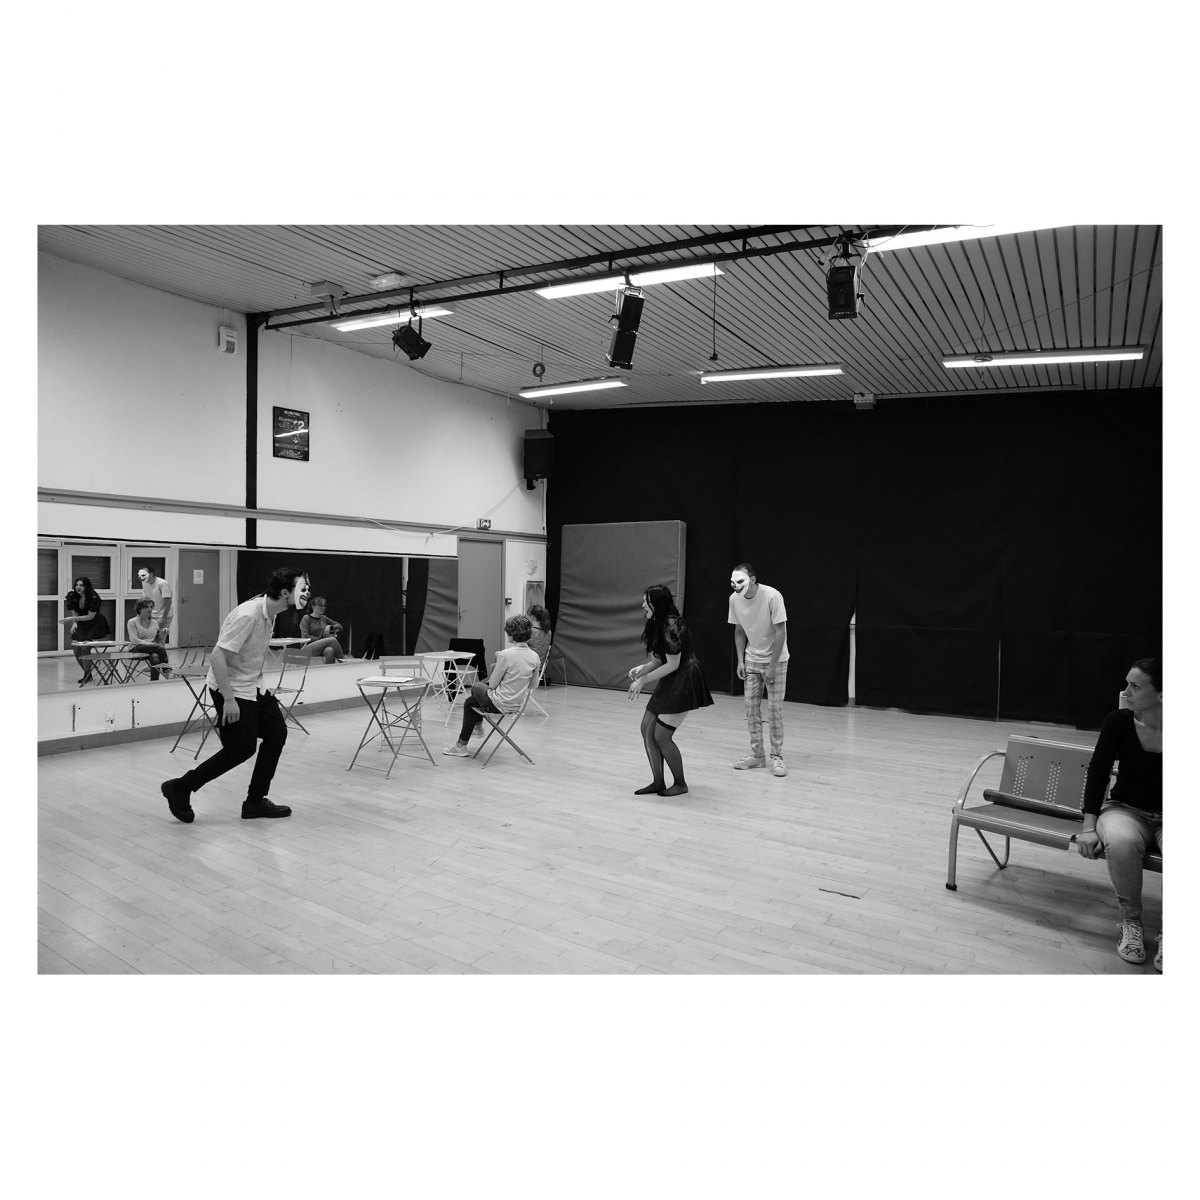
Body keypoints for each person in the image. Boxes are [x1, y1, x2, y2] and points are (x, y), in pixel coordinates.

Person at [159, 566, 311, 823]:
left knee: (276, 734)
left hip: (253, 686)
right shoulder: (248, 615)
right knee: (240, 749)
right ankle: (181, 787)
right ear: (286, 592)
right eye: (302, 588)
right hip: (230, 688)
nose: (307, 594)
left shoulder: (271, 613)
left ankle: (255, 801)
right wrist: (229, 700)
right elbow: (217, 656)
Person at [1076, 658, 1163, 971]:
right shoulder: (1119, 721)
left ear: (1162, 694)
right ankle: (1132, 923)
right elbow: (1098, 772)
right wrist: (1089, 827)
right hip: (1126, 809)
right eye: (1127, 683)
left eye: (1135, 686)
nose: (1126, 692)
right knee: (1121, 841)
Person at [627, 584, 713, 797]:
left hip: (684, 679)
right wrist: (642, 669)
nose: (642, 605)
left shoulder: (672, 625)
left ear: (657, 604)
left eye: (646, 601)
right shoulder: (655, 622)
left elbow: (673, 665)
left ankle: (680, 783)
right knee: (646, 728)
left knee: (661, 735)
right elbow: (659, 660)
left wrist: (644, 680)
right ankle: (658, 781)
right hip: (672, 677)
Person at [443, 614, 540, 757]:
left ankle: (475, 730)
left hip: (499, 703)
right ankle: (463, 743)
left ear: (511, 635)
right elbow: (533, 685)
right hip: (516, 705)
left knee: (476, 686)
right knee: (470, 702)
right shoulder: (534, 656)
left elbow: (492, 685)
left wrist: (495, 666)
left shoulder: (505, 655)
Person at [727, 562, 790, 777]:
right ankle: (757, 755)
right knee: (751, 709)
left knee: (774, 709)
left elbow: (781, 632)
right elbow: (738, 630)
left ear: (753, 579)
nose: (736, 586)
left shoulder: (772, 596)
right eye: (733, 582)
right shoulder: (734, 599)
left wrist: (772, 665)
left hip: (776, 659)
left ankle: (776, 756)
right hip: (752, 658)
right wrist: (740, 660)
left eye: (740, 581)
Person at [59, 576, 111, 685]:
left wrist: (71, 619)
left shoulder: (93, 597)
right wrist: (75, 623)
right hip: (81, 621)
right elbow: (75, 612)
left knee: (84, 648)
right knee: (75, 647)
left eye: (81, 585)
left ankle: (87, 675)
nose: (78, 587)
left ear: (86, 586)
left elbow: (90, 616)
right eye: (77, 585)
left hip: (94, 623)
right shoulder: (73, 596)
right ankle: (88, 674)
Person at [125, 597, 170, 680]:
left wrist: (164, 633)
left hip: (152, 648)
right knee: (160, 648)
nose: (150, 609)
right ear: (139, 609)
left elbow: (158, 639)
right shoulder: (132, 622)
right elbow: (134, 639)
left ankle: (154, 681)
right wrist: (149, 643)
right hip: (136, 648)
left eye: (151, 607)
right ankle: (166, 670)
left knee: (155, 658)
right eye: (146, 607)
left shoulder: (155, 622)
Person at [299, 595, 345, 662]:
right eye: (320, 606)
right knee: (332, 640)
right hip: (307, 647)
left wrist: (331, 627)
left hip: (322, 646)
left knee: (330, 650)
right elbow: (305, 636)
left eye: (324, 606)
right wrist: (321, 640)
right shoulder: (306, 618)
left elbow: (340, 626)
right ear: (313, 606)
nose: (323, 608)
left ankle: (330, 669)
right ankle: (344, 662)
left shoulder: (323, 618)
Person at [138, 566, 173, 638]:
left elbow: (168, 602)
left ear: (151, 574)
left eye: (143, 575)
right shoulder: (145, 583)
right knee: (150, 636)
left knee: (160, 637)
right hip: (153, 613)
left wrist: (164, 618)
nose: (141, 577)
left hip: (164, 613)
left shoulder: (162, 583)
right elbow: (146, 599)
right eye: (139, 575)